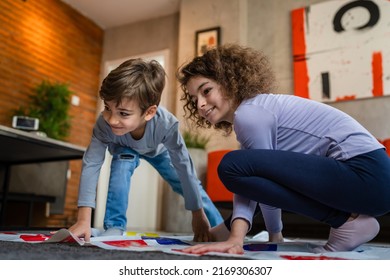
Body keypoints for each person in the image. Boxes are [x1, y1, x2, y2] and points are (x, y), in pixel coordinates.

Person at [176, 43, 390, 254]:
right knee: (244, 169)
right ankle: (223, 231)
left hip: (366, 173)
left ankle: (346, 221)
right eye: (194, 99)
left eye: (206, 91)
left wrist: (246, 238)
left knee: (231, 164)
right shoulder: (255, 111)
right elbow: (257, 186)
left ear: (229, 82)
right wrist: (272, 236)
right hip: (373, 184)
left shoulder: (249, 114)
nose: (200, 104)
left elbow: (249, 180)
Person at [69, 58, 223, 242]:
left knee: (185, 183)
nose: (111, 120)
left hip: (158, 151)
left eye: (123, 113)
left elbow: (184, 167)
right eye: (107, 108)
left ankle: (218, 225)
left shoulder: (166, 125)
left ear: (149, 112)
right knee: (122, 164)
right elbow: (91, 163)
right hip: (124, 147)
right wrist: (83, 219)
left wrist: (198, 215)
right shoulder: (104, 125)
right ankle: (114, 227)